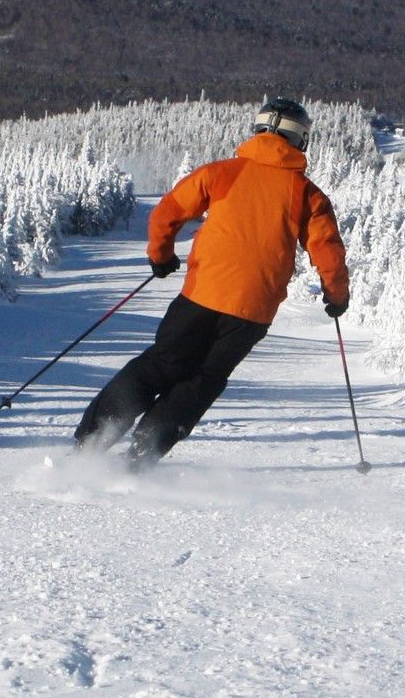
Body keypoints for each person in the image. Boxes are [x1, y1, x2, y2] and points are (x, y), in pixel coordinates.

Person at [76, 96, 352, 462]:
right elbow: (327, 249)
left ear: (257, 130)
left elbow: (168, 212)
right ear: (301, 140)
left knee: (161, 365)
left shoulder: (221, 173)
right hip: (252, 311)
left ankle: (90, 444)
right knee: (203, 380)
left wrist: (161, 256)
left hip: (200, 296)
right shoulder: (307, 195)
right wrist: (337, 295)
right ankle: (141, 458)